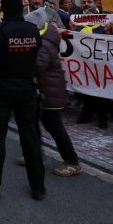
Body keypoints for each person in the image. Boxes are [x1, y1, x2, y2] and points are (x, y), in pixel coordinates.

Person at [0, 0, 45, 201]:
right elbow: (36, 52)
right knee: (31, 138)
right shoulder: (33, 31)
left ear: (4, 9)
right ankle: (38, 187)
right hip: (26, 88)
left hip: (1, 88)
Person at [24, 9, 81, 177]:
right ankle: (35, 155)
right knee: (39, 123)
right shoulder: (45, 39)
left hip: (50, 90)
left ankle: (72, 162)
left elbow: (38, 65)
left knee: (55, 126)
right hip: (47, 89)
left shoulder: (44, 43)